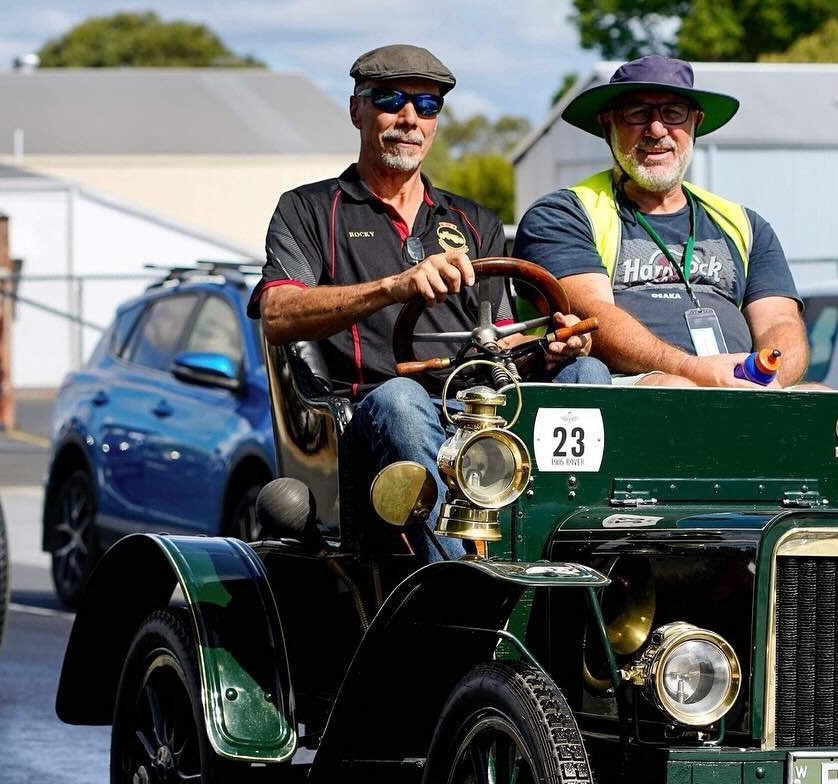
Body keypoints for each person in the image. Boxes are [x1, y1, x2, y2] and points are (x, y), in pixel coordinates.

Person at [249, 43, 607, 555]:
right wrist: (395, 285)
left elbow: (501, 338)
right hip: (368, 422)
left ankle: (572, 563)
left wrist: (549, 348)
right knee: (401, 397)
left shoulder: (472, 220)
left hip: (481, 411)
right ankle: (459, 578)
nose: (409, 118)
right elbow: (277, 316)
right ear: (357, 110)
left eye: (427, 105)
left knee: (588, 375)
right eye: (391, 100)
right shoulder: (308, 210)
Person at [513, 55, 807, 387]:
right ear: (608, 123)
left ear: (695, 122)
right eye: (637, 113)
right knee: (676, 389)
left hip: (736, 388)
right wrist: (695, 372)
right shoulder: (563, 214)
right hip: (615, 388)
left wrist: (769, 379)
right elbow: (593, 315)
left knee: (829, 405)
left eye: (673, 113)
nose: (656, 129)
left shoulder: (745, 225)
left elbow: (780, 321)